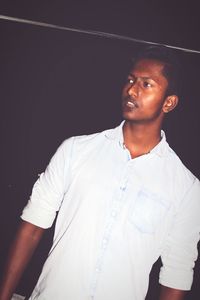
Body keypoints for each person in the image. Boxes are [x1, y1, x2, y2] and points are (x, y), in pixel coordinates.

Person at [0, 45, 200, 300]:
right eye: (130, 80)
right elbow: (31, 227)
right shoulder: (75, 150)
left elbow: (176, 275)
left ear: (169, 102)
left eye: (146, 84)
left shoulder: (186, 188)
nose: (131, 89)